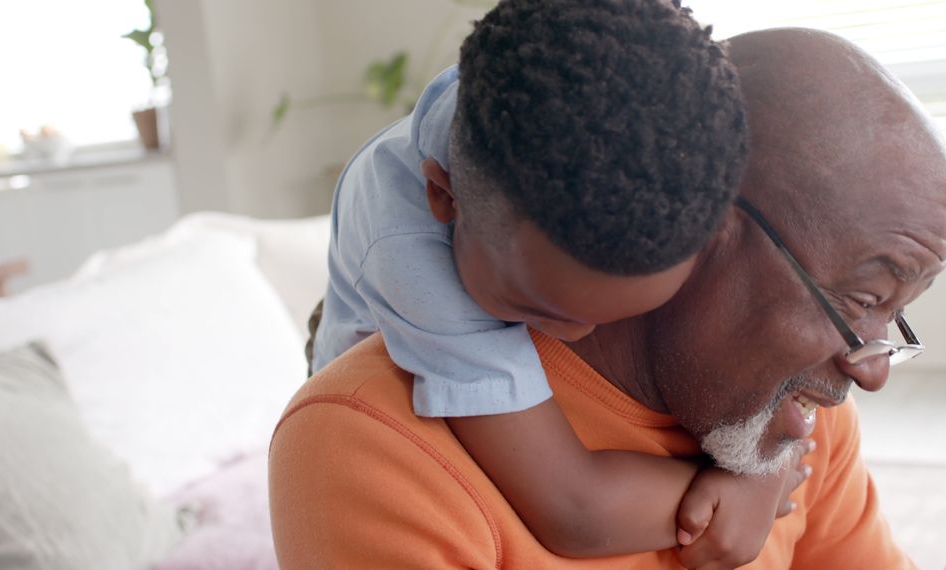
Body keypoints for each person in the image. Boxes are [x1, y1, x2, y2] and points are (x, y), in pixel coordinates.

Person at [271, 25, 946, 569]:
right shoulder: (370, 449)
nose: (871, 368)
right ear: (706, 225)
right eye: (862, 297)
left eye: (894, 308)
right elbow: (572, 507)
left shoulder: (785, 410)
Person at [305, 0, 802, 561]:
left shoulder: (667, 141)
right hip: (380, 389)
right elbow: (575, 510)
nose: (573, 335)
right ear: (445, 198)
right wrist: (756, 485)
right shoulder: (407, 243)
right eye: (536, 307)